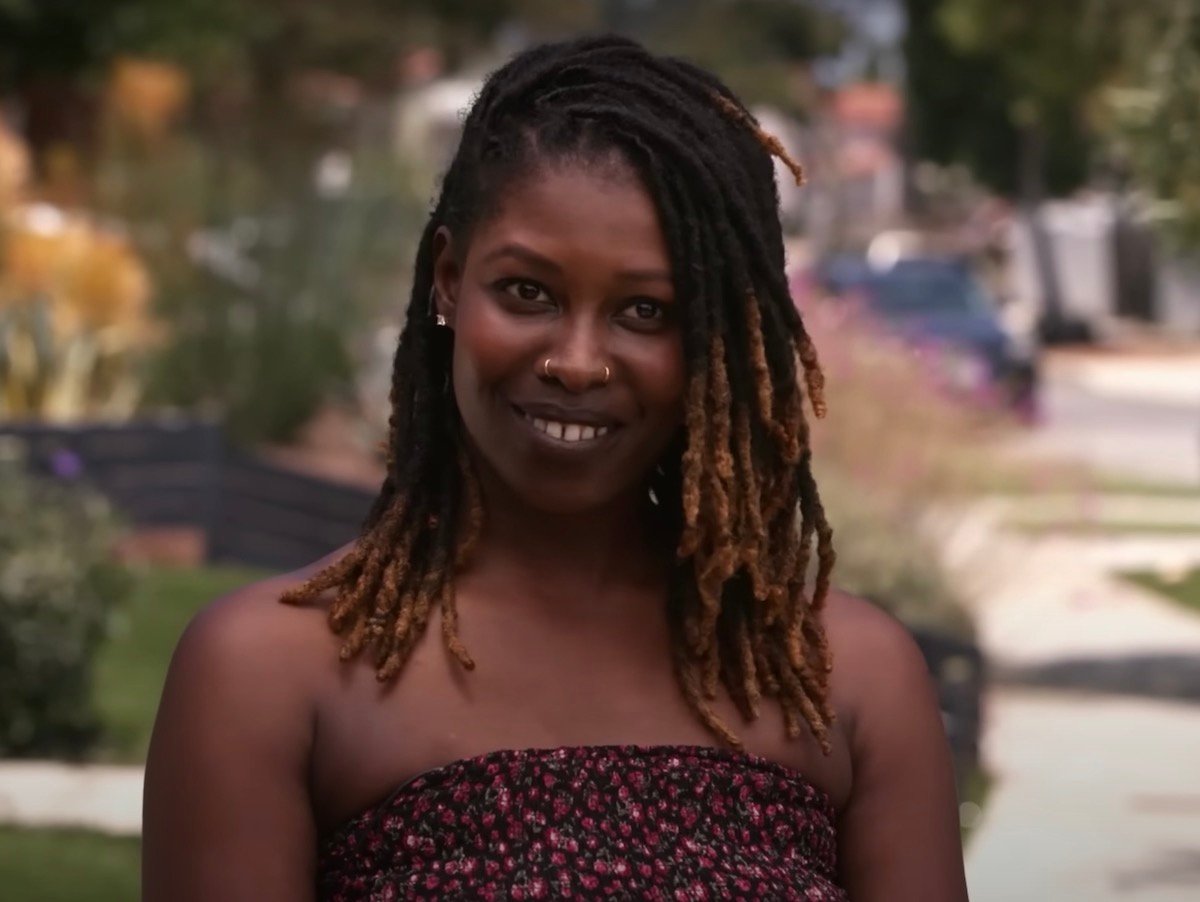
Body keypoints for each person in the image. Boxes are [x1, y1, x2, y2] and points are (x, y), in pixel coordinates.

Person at [142, 35, 968, 901]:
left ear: (715, 339)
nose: (577, 362)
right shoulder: (267, 676)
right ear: (449, 280)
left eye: (645, 311)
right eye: (528, 292)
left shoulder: (848, 679)